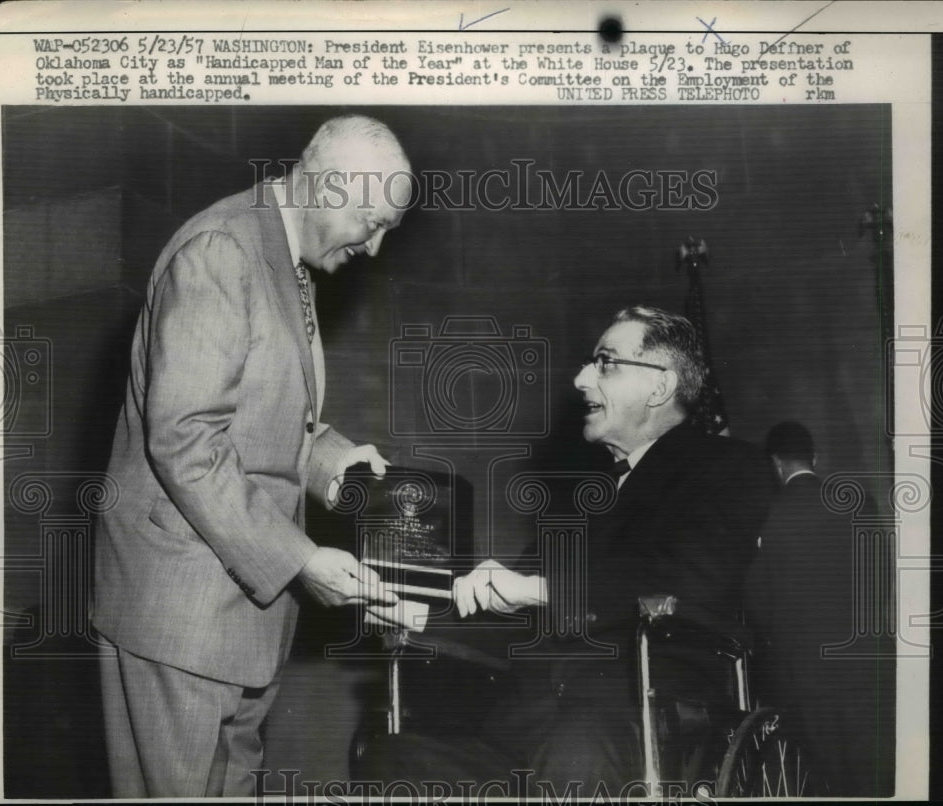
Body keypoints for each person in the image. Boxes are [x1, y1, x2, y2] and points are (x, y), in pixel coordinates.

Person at [92, 115, 412, 797]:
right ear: (328, 188)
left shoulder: (284, 260)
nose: (377, 247)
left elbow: (259, 418)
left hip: (237, 623)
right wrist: (300, 559)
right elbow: (184, 436)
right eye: (373, 220)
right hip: (180, 622)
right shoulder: (223, 251)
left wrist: (333, 461)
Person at [360, 305, 773, 796]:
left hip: (649, 721)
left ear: (660, 387)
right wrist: (414, 613)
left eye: (604, 363)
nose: (580, 379)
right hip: (529, 729)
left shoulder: (729, 468)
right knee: (392, 759)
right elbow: (512, 617)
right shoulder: (579, 499)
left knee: (574, 753)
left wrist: (538, 589)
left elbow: (691, 583)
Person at [742, 421, 892, 795]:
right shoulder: (858, 501)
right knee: (877, 770)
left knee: (829, 777)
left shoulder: (770, 516)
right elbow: (881, 576)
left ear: (775, 465)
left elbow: (758, 602)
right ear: (815, 457)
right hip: (869, 660)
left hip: (809, 673)